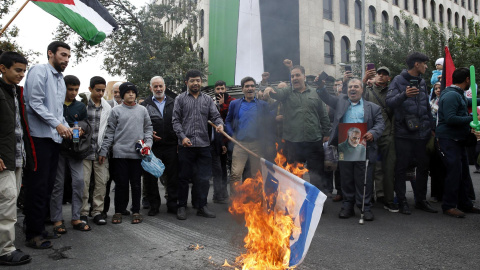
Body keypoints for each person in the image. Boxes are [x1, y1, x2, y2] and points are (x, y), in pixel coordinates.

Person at [23, 41, 72, 249]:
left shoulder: (61, 80)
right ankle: (33, 234)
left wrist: (68, 128)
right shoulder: (39, 71)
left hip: (54, 139)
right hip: (38, 137)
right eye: (62, 55)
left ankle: (40, 228)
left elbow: (58, 112)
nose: (66, 60)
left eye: (68, 57)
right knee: (37, 186)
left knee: (48, 187)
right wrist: (58, 124)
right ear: (50, 54)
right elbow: (34, 103)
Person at [318, 78, 384, 221]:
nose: (352, 89)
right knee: (346, 178)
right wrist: (321, 87)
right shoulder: (341, 102)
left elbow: (380, 124)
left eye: (356, 87)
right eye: (350, 87)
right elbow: (326, 97)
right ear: (347, 90)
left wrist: (373, 133)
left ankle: (364, 207)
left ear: (362, 89)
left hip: (364, 146)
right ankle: (347, 206)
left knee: (363, 179)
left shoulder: (373, 107)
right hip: (345, 145)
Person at [264, 65, 331, 193]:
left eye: (297, 75)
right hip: (293, 142)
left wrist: (327, 132)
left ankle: (316, 204)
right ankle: (296, 201)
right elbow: (277, 93)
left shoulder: (315, 93)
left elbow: (323, 115)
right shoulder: (287, 92)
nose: (295, 78)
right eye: (292, 76)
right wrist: (268, 88)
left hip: (314, 141)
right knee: (295, 176)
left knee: (317, 175)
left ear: (304, 77)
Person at [385, 52, 437, 215]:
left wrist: (432, 127)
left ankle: (420, 200)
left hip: (423, 133)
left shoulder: (422, 82)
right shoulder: (398, 81)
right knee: (401, 168)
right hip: (404, 134)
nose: (426, 66)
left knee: (423, 168)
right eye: (424, 63)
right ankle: (402, 202)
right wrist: (404, 94)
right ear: (417, 64)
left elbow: (427, 107)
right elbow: (390, 102)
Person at [172, 69, 224, 220]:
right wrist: (182, 137)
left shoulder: (208, 100)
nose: (195, 83)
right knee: (183, 177)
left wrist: (220, 125)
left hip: (203, 145)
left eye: (198, 80)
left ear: (201, 82)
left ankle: (202, 206)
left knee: (203, 178)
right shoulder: (180, 99)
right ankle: (181, 206)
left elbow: (216, 117)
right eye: (192, 80)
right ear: (186, 82)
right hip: (185, 145)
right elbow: (175, 121)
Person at [99, 82, 153, 224]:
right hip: (119, 154)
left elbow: (148, 128)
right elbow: (109, 133)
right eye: (128, 92)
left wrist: (148, 145)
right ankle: (118, 211)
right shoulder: (115, 111)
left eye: (133, 92)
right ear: (122, 95)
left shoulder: (142, 110)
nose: (131, 94)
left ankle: (136, 211)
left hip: (137, 154)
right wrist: (104, 151)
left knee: (136, 184)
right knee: (121, 184)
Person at [0, 51, 33, 264]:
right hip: (4, 158)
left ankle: (7, 244)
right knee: (7, 202)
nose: (22, 74)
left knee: (10, 203)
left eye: (24, 71)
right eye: (17, 70)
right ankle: (5, 251)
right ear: (3, 68)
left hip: (17, 156)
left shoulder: (15, 92)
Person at [436, 67, 480, 218]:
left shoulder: (457, 94)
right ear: (467, 79)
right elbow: (450, 118)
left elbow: (470, 101)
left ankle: (465, 203)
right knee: (454, 173)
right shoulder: (451, 96)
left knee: (463, 173)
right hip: (449, 140)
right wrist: (473, 118)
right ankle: (449, 206)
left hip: (458, 140)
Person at [50, 75, 91, 234]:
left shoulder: (80, 107)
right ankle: (57, 219)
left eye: (76, 89)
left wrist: (80, 129)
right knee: (58, 184)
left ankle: (76, 217)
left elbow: (85, 126)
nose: (73, 92)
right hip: (58, 149)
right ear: (63, 88)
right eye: (70, 89)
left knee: (79, 182)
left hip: (75, 150)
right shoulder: (55, 103)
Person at [225, 76, 272, 193]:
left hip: (256, 145)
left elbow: (268, 123)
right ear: (242, 89)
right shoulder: (235, 104)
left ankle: (256, 200)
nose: (250, 88)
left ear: (255, 88)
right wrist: (232, 134)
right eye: (247, 86)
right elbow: (227, 121)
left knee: (257, 175)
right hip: (239, 144)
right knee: (236, 174)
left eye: (252, 86)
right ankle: (236, 201)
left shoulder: (263, 105)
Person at [141, 76, 179, 215]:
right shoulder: (145, 105)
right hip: (153, 147)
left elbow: (179, 122)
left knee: (172, 177)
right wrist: (149, 134)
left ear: (165, 86)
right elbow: (141, 125)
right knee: (151, 177)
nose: (158, 89)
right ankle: (154, 206)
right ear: (150, 88)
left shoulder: (174, 103)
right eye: (155, 86)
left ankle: (172, 204)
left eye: (160, 86)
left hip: (171, 145)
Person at [363, 66, 398, 212]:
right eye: (379, 74)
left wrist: (394, 133)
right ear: (375, 76)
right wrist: (364, 81)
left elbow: (396, 113)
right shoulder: (368, 91)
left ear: (389, 78)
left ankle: (387, 199)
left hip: (387, 135)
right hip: (370, 135)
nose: (381, 76)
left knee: (388, 169)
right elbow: (355, 99)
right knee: (369, 168)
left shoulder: (392, 92)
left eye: (385, 74)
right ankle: (368, 197)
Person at [80, 76, 112, 226]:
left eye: (103, 90)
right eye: (97, 90)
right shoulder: (82, 104)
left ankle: (97, 212)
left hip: (100, 152)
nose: (100, 93)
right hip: (84, 151)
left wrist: (104, 151)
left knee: (101, 183)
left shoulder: (107, 108)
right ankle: (83, 212)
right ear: (90, 89)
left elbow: (108, 132)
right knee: (84, 183)